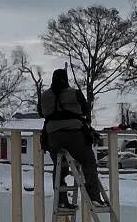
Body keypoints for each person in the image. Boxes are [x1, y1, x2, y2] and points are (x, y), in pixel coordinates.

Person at [39, 67, 104, 203]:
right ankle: (94, 197)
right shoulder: (75, 93)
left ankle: (61, 200)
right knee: (88, 161)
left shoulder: (44, 96)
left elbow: (41, 113)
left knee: (59, 165)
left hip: (53, 137)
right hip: (75, 135)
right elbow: (86, 109)